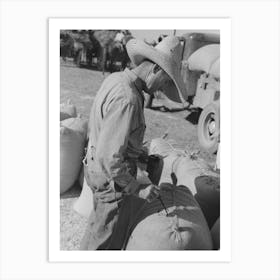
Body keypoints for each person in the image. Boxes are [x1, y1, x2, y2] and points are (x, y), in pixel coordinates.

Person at [80, 36, 188, 250]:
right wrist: (138, 189)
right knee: (103, 245)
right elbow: (110, 159)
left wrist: (138, 155)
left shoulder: (116, 79)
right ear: (156, 70)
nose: (161, 89)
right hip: (111, 184)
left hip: (95, 171)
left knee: (98, 231)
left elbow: (108, 135)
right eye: (165, 82)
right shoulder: (128, 99)